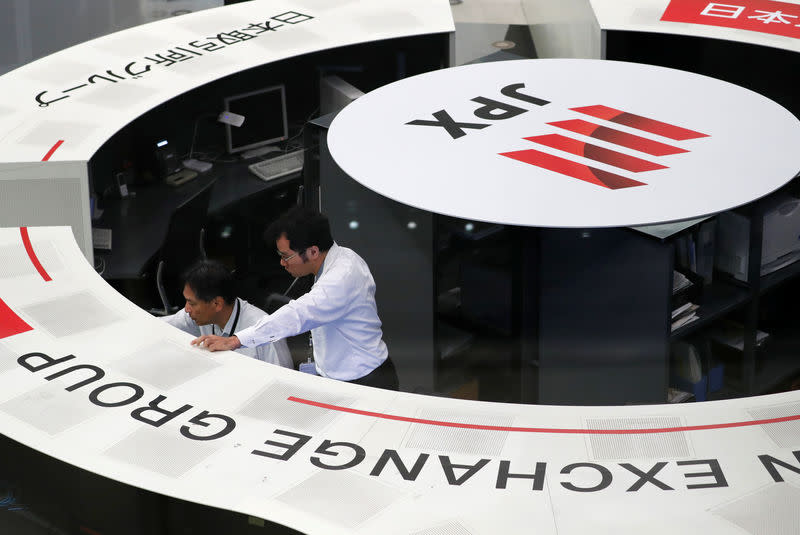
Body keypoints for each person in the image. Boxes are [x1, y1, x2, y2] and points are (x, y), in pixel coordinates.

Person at [192, 207, 398, 390]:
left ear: (313, 251)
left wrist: (236, 340)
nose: (282, 263)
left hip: (364, 383)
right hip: (344, 377)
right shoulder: (344, 256)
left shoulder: (340, 279)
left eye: (286, 256)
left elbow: (297, 314)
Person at [163, 259, 293, 368]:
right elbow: (156, 325)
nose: (186, 309)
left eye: (191, 303)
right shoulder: (196, 316)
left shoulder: (265, 331)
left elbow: (286, 383)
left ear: (217, 304)